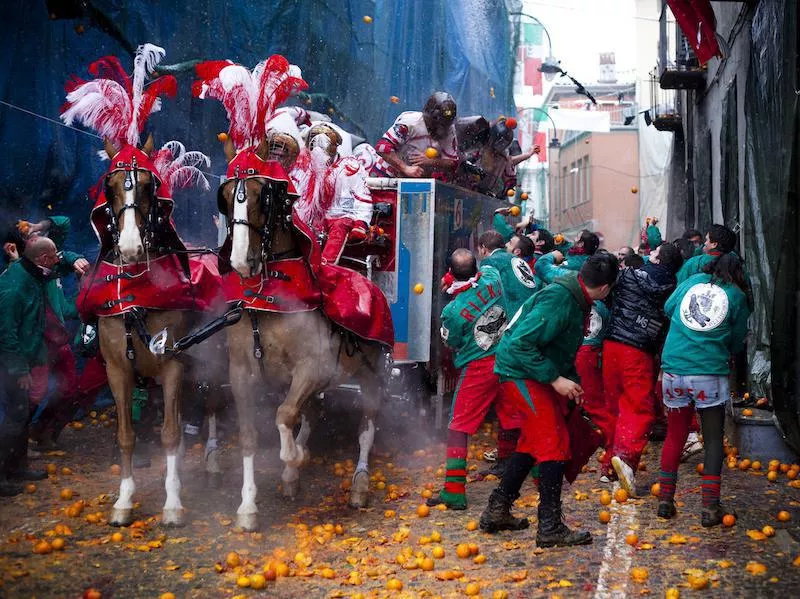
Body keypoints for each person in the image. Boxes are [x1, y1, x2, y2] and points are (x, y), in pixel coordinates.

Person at [479, 253, 618, 547]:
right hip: (518, 371)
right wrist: (556, 380)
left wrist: (570, 384)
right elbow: (520, 344)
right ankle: (550, 526)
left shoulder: (576, 297)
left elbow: (560, 349)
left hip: (535, 371)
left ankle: (497, 510)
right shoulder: (561, 299)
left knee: (531, 444)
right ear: (606, 288)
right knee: (554, 443)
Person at [657, 253, 750, 526]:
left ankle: (665, 500)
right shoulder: (737, 295)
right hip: (708, 372)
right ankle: (710, 507)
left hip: (673, 369)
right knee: (711, 439)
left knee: (675, 434)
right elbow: (736, 339)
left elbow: (668, 307)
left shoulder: (692, 281)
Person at [426, 249, 518, 510]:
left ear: (452, 273)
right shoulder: (492, 277)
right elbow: (484, 272)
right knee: (513, 416)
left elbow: (452, 341)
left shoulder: (453, 311)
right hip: (507, 358)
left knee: (458, 426)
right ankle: (518, 473)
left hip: (479, 367)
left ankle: (454, 491)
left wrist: (451, 291)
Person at [603, 243, 685, 492]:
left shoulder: (628, 276)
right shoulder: (674, 289)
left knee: (615, 406)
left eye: (654, 253)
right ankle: (625, 459)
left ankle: (609, 465)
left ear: (658, 260)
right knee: (639, 408)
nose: (649, 254)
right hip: (639, 351)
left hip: (612, 345)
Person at [0, 237, 63, 495]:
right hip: (9, 360)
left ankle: (17, 466)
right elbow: (5, 332)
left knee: (22, 414)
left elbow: (61, 264)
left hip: (25, 357)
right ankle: (2, 475)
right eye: (55, 255)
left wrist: (73, 259)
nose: (58, 259)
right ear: (44, 259)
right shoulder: (15, 287)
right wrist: (19, 370)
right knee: (14, 417)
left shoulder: (31, 271)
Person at [295, 123, 373, 265]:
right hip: (314, 219)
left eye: (322, 145)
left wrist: (361, 223)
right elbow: (299, 197)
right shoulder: (305, 168)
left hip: (341, 217)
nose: (317, 150)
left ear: (333, 147)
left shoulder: (350, 167)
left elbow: (362, 196)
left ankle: (326, 267)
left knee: (340, 226)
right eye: (313, 144)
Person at [371, 92, 459, 179]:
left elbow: (453, 162)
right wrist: (405, 168)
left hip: (416, 182)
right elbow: (382, 148)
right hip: (386, 176)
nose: (440, 129)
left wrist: (432, 161)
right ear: (429, 116)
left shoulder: (450, 129)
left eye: (444, 125)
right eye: (438, 124)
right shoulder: (410, 122)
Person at [477, 230, 537, 317]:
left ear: (483, 248)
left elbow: (486, 294)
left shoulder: (490, 261)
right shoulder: (518, 260)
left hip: (515, 316)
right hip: (531, 311)